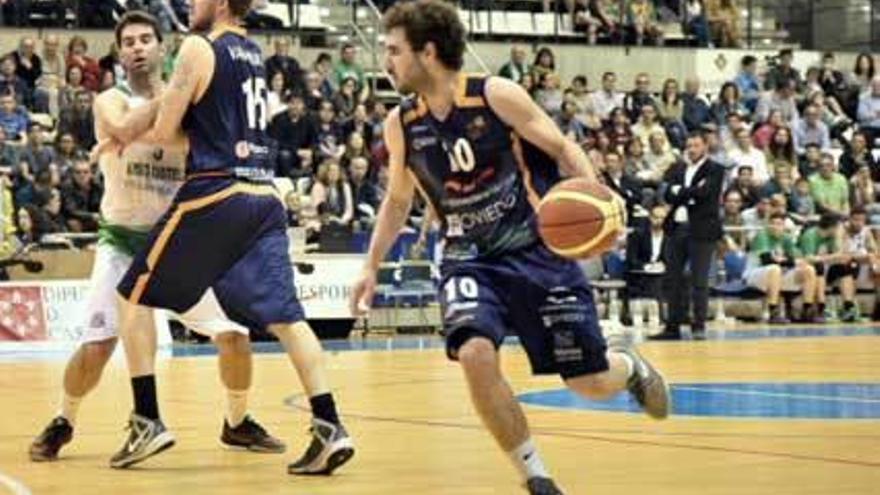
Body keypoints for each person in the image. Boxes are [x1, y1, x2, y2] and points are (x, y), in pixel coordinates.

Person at [350, 2, 669, 494]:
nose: (386, 61)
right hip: (467, 259)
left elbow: (562, 148)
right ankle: (536, 477)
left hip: (537, 253)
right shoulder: (401, 122)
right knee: (475, 353)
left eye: (394, 50)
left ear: (427, 52)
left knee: (590, 383)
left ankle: (629, 368)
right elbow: (397, 200)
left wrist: (600, 201)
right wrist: (371, 266)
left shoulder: (496, 95)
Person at [101, 3, 354, 474]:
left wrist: (134, 129)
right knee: (287, 318)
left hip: (218, 190)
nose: (190, 5)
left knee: (132, 296)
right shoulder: (254, 52)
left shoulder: (200, 46)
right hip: (265, 194)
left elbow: (165, 130)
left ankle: (147, 420)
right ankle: (329, 425)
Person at [29, 12, 287, 462]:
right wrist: (159, 114)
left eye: (146, 38)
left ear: (162, 48)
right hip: (123, 239)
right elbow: (120, 125)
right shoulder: (109, 97)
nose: (137, 47)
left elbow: (165, 139)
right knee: (96, 349)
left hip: (178, 240)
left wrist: (137, 130)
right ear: (118, 52)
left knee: (235, 337)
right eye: (128, 41)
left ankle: (236, 420)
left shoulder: (187, 99)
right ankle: (63, 418)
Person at [654, 131, 725, 340]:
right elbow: (665, 193)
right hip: (676, 227)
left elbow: (704, 194)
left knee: (699, 280)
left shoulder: (715, 169)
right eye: (689, 146)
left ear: (705, 146)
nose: (691, 149)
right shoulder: (677, 168)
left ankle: (699, 325)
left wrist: (680, 191)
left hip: (702, 230)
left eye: (695, 145)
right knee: (673, 278)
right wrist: (689, 192)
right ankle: (672, 326)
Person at [744, 213, 819, 324]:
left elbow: (799, 259)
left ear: (784, 226)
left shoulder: (786, 238)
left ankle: (807, 310)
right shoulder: (762, 236)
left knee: (809, 270)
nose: (775, 226)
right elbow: (766, 260)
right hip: (754, 275)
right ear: (768, 225)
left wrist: (788, 261)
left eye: (779, 224)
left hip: (778, 276)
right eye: (772, 224)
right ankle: (774, 312)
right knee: (775, 268)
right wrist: (789, 261)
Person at [800, 214, 860, 322]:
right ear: (833, 226)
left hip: (824, 267)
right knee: (818, 267)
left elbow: (840, 255)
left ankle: (848, 307)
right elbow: (808, 258)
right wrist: (833, 257)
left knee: (845, 268)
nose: (841, 229)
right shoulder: (810, 235)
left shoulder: (831, 237)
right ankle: (819, 308)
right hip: (806, 270)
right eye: (839, 226)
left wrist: (840, 239)